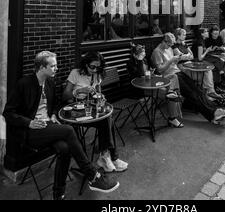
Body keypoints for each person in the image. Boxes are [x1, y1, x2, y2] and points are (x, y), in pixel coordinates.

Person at [3, 51, 119, 200]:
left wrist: (52, 114)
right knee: (69, 130)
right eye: (53, 66)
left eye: (56, 65)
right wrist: (29, 122)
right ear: (41, 67)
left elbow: (55, 104)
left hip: (48, 126)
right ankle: (92, 175)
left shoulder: (50, 82)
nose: (56, 68)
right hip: (30, 131)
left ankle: (58, 194)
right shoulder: (24, 84)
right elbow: (8, 113)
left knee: (65, 149)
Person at [63, 51, 128, 173]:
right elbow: (65, 96)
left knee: (108, 118)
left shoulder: (97, 74)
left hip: (91, 110)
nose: (94, 70)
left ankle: (107, 156)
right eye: (92, 66)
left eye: (98, 67)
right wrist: (80, 90)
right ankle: (109, 157)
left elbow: (98, 92)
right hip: (78, 113)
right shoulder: (75, 73)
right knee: (108, 120)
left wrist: (100, 96)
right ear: (85, 64)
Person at [151, 33, 225, 125]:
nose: (169, 47)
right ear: (164, 41)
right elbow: (160, 69)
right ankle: (213, 114)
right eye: (169, 45)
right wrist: (171, 60)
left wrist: (177, 59)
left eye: (171, 45)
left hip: (177, 72)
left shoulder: (168, 48)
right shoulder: (157, 52)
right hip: (170, 77)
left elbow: (173, 63)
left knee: (198, 90)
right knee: (192, 94)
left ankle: (216, 111)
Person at [127, 43, 183, 128]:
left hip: (152, 82)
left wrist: (153, 73)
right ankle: (172, 118)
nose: (144, 55)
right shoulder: (130, 63)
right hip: (142, 89)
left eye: (144, 52)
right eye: (142, 54)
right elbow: (140, 76)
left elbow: (152, 70)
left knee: (173, 76)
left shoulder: (145, 60)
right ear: (134, 55)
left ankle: (172, 92)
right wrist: (139, 61)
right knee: (170, 94)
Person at [204, 26, 225, 91]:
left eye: (217, 34)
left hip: (220, 54)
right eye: (214, 34)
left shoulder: (219, 38)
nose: (216, 35)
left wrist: (222, 48)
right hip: (212, 56)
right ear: (211, 33)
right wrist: (211, 50)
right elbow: (205, 51)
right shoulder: (207, 40)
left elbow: (223, 47)